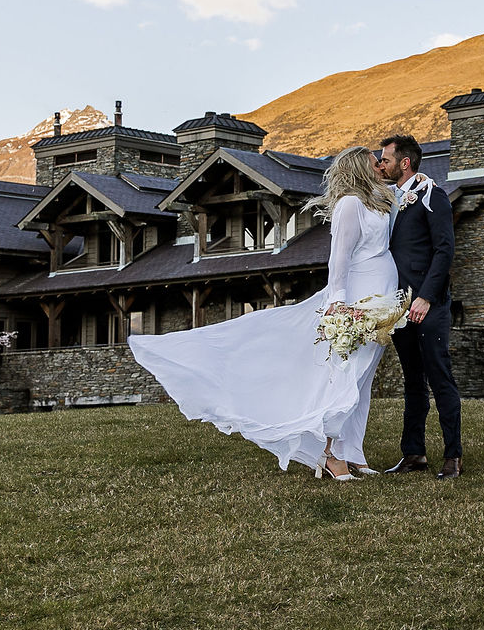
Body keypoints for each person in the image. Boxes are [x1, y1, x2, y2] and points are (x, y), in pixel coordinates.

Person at [127, 147, 400, 481]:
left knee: (364, 379)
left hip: (382, 298)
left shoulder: (376, 199)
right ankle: (329, 455)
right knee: (345, 377)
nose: (381, 167)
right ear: (360, 168)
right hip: (358, 297)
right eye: (375, 163)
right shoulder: (350, 205)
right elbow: (339, 258)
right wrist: (339, 301)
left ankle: (352, 452)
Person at [375, 133, 463, 479]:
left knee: (440, 379)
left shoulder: (432, 195)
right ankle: (413, 454)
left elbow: (445, 250)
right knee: (412, 380)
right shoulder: (389, 199)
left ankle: (453, 456)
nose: (381, 165)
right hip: (399, 307)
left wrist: (425, 297)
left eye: (385, 159)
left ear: (404, 162)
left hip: (429, 304)